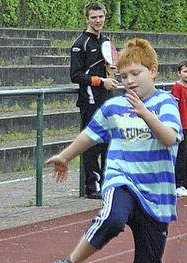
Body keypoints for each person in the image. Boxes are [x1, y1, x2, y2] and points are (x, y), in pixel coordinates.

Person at [37, 38, 183, 263]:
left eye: (136, 73)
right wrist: (66, 156)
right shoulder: (114, 106)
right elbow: (91, 135)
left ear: (153, 72)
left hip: (156, 195)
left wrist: (146, 114)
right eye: (123, 74)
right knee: (113, 218)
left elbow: (170, 138)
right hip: (122, 179)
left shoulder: (165, 103)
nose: (130, 80)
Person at [70, 1, 119, 199]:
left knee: (109, 143)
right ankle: (91, 187)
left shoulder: (106, 41)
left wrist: (111, 75)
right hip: (89, 101)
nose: (98, 21)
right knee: (91, 144)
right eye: (94, 17)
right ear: (87, 18)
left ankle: (107, 182)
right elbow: (75, 75)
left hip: (107, 100)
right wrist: (102, 81)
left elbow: (110, 66)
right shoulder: (80, 44)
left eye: (101, 17)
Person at [171, 59, 187, 197]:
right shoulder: (177, 88)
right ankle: (178, 184)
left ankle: (185, 184)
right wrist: (178, 128)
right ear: (179, 73)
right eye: (185, 71)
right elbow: (175, 107)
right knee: (180, 157)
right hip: (180, 127)